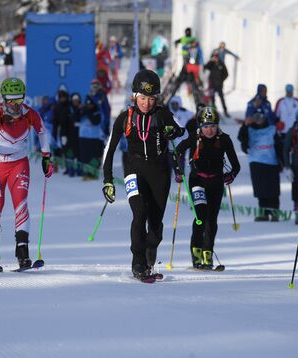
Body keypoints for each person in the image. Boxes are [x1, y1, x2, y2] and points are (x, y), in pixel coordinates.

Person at [101, 69, 185, 282]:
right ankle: (138, 261)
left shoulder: (161, 113)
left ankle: (149, 257)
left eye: (151, 98)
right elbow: (109, 150)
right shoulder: (125, 117)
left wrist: (171, 131)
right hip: (134, 170)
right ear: (134, 96)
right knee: (139, 213)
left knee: (155, 225)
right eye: (142, 98)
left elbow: (179, 130)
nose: (146, 103)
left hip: (159, 173)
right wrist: (108, 180)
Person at [0, 78, 53, 272]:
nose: (15, 106)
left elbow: (42, 132)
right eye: (11, 101)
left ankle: (23, 254)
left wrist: (46, 156)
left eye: (19, 100)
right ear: (4, 99)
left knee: (21, 204)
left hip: (19, 163)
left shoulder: (29, 113)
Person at [174, 107, 240, 269]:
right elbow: (177, 152)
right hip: (197, 180)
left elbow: (236, 165)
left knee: (212, 219)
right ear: (200, 126)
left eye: (212, 126)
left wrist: (231, 175)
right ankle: (196, 253)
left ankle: (207, 253)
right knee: (200, 215)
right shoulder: (194, 138)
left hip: (216, 182)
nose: (209, 130)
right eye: (205, 126)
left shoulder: (224, 139)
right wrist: (178, 170)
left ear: (217, 126)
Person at [238, 110, 283, 221]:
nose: (258, 120)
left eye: (261, 117)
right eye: (256, 117)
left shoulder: (272, 129)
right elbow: (241, 138)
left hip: (271, 162)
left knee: (273, 190)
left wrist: (282, 162)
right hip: (256, 162)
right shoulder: (249, 129)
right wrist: (244, 125)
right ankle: (263, 213)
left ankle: (274, 213)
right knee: (260, 189)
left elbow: (279, 145)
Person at [204, 51, 230, 117]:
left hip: (219, 84)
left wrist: (221, 80)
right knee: (212, 98)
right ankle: (214, 110)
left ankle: (225, 111)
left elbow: (226, 74)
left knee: (221, 98)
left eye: (216, 56)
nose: (215, 58)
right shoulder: (211, 63)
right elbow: (205, 67)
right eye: (214, 56)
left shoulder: (221, 64)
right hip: (212, 84)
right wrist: (210, 61)